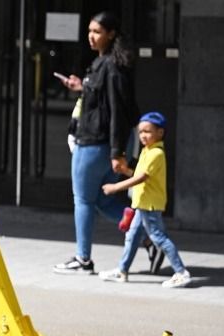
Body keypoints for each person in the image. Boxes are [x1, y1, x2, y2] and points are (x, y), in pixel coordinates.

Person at [54, 11, 139, 274]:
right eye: (89, 31)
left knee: (83, 200)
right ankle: (144, 231)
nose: (91, 36)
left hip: (93, 143)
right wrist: (83, 86)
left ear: (111, 34)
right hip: (98, 143)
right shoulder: (105, 64)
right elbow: (104, 101)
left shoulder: (110, 67)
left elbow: (116, 112)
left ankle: (83, 259)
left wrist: (117, 152)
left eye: (97, 32)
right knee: (101, 200)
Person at [99, 112, 191, 288]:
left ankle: (181, 272)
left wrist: (115, 187)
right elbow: (138, 174)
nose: (143, 135)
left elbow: (141, 178)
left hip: (149, 205)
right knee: (132, 237)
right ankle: (122, 270)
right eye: (140, 132)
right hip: (142, 204)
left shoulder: (156, 153)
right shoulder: (147, 151)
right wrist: (125, 171)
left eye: (147, 131)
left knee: (159, 237)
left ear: (160, 133)